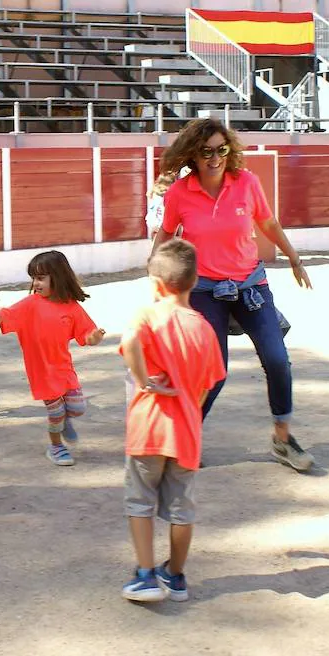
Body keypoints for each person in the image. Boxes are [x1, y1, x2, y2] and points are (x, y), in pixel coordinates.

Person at [152, 117, 315, 472]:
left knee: (277, 359)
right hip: (205, 289)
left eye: (221, 149)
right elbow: (165, 235)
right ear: (193, 155)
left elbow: (268, 223)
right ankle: (185, 438)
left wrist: (293, 256)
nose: (215, 157)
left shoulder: (246, 183)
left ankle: (283, 439)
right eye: (206, 151)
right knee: (215, 371)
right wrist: (157, 279)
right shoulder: (180, 193)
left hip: (250, 285)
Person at [119, 239, 225, 603]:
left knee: (140, 503)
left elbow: (130, 341)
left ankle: (146, 574)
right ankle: (175, 575)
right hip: (186, 433)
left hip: (148, 427)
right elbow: (208, 385)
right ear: (194, 281)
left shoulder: (146, 315)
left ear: (157, 285)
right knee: (182, 509)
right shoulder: (205, 329)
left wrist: (144, 380)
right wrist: (190, 407)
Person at [0, 251, 105, 467]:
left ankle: (65, 422)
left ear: (58, 277)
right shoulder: (30, 304)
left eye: (40, 278)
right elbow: (8, 314)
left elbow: (87, 332)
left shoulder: (72, 307)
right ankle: (56, 447)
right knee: (56, 413)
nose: (35, 283)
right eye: (34, 278)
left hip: (63, 368)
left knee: (77, 408)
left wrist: (93, 337)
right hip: (42, 371)